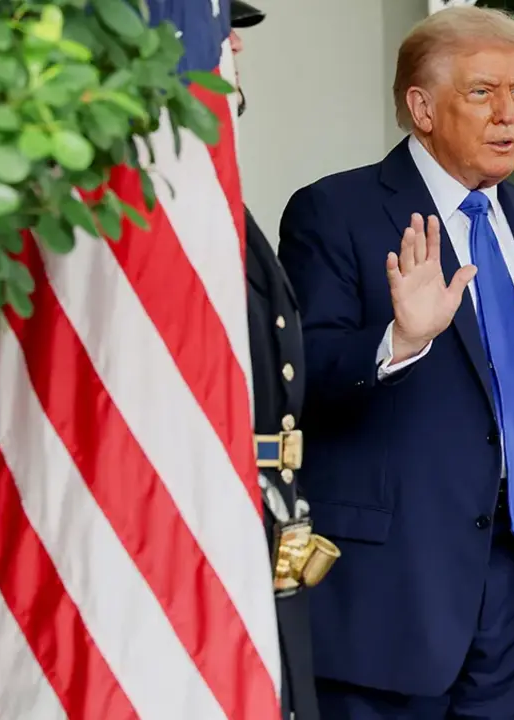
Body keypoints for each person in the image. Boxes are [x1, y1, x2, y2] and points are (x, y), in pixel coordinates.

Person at [276, 5, 514, 718]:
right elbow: (300, 377)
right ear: (421, 107)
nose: (509, 115)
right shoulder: (335, 212)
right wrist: (399, 340)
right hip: (387, 602)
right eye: (483, 91)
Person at [231, 3, 332, 718]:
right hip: (222, 523)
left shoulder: (222, 205)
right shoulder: (162, 204)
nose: (234, 42)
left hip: (270, 515)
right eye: (216, 26)